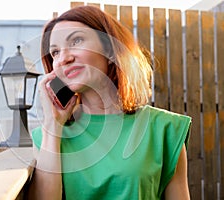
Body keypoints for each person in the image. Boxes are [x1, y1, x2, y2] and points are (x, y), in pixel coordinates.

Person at [26, 5, 191, 200]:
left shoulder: (165, 129)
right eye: (55, 53)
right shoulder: (46, 138)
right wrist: (53, 125)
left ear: (111, 50)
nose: (64, 58)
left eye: (76, 40)